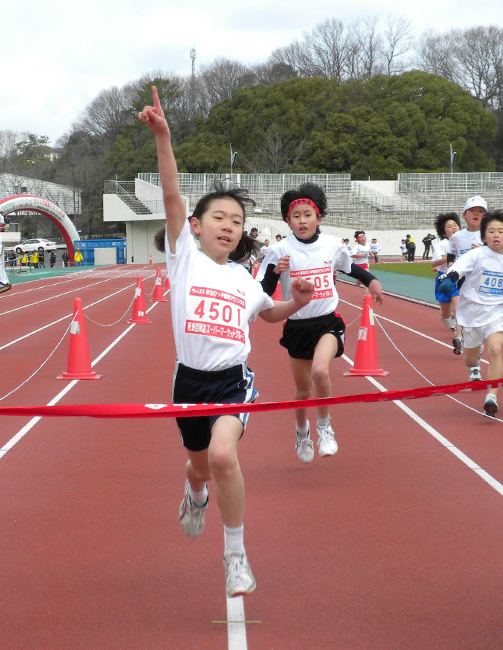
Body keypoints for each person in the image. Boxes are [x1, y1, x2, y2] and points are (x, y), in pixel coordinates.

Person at [140, 86, 314, 598]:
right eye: (219, 217)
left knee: (222, 458)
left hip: (232, 382)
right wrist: (164, 138)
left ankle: (235, 554)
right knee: (199, 465)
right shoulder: (184, 259)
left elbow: (269, 315)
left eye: (237, 221)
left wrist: (297, 303)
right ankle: (194, 492)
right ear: (195, 226)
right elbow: (172, 193)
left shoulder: (244, 279)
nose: (229, 226)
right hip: (187, 382)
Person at [259, 183, 383, 462]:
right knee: (303, 389)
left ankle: (324, 427)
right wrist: (274, 274)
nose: (302, 221)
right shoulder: (279, 251)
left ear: (319, 217)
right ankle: (302, 431)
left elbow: (350, 267)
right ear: (287, 220)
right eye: (296, 216)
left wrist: (371, 281)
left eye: (308, 214)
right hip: (296, 326)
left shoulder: (331, 245)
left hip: (327, 322)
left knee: (320, 372)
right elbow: (263, 293)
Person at [438, 210, 503, 416]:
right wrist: (447, 280)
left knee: (496, 349)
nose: (496, 235)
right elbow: (457, 269)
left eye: (501, 231)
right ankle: (474, 358)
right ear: (484, 236)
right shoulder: (477, 254)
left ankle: (492, 396)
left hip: (497, 311)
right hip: (472, 312)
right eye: (491, 231)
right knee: (470, 360)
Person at [446, 196, 487, 353]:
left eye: (481, 211)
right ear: (464, 215)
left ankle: (473, 344)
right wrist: (451, 266)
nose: (476, 214)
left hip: (484, 284)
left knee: (481, 321)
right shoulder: (458, 237)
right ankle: (470, 346)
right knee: (469, 319)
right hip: (464, 284)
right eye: (472, 211)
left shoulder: (489, 235)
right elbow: (451, 252)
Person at [430, 212, 462, 350]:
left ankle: (459, 336)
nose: (454, 227)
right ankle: (449, 321)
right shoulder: (442, 245)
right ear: (444, 233)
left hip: (458, 278)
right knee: (446, 315)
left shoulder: (465, 241)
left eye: (455, 225)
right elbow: (434, 263)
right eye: (450, 226)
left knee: (459, 309)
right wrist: (449, 256)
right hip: (443, 279)